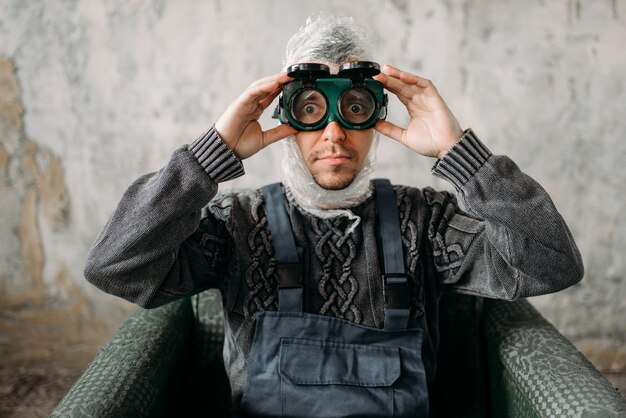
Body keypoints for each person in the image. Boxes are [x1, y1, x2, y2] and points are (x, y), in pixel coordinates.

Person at [84, 15, 584, 418]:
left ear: (377, 116)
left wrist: (461, 154)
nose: (333, 133)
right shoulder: (237, 223)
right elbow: (117, 267)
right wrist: (206, 158)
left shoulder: (425, 222)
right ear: (284, 117)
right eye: (309, 108)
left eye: (354, 107)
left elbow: (551, 265)